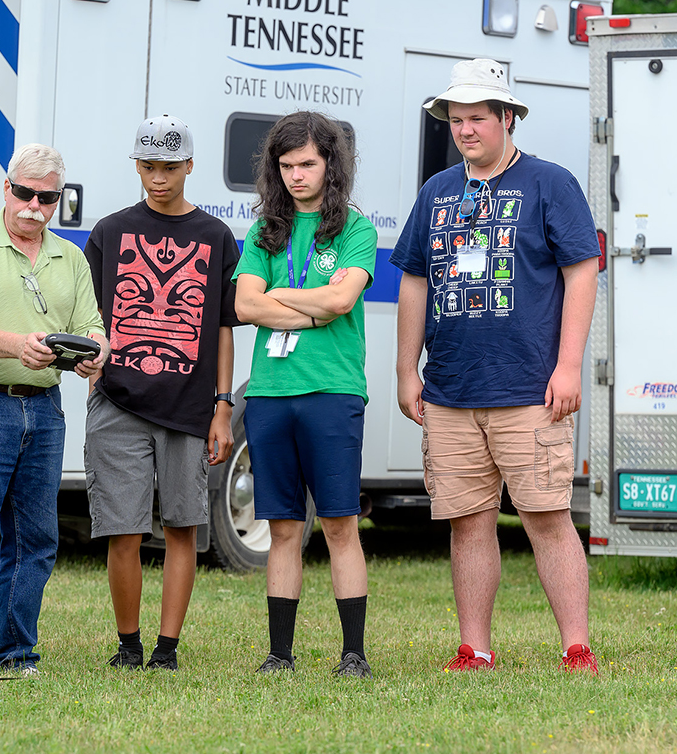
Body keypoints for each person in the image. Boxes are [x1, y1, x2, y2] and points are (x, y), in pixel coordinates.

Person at [391, 59, 601, 673]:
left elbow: (582, 270)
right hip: (452, 389)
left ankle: (576, 647)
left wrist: (568, 366)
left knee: (546, 517)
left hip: (530, 388)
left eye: (478, 118)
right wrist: (408, 371)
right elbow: (413, 281)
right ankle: (474, 649)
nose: (465, 130)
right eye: (456, 120)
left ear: (508, 118)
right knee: (467, 521)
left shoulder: (549, 183)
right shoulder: (437, 191)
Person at [0, 143, 108, 678]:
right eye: (25, 192)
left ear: (59, 200)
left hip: (44, 407)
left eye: (47, 197)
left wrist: (94, 355)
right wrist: (17, 346)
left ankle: (16, 653)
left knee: (36, 539)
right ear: (5, 188)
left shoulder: (70, 257)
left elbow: (93, 325)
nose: (34, 204)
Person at [83, 115, 242, 671]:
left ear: (190, 166)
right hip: (118, 400)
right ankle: (128, 644)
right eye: (148, 166)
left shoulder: (216, 236)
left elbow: (222, 326)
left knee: (182, 528)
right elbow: (89, 316)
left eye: (169, 167)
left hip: (190, 406)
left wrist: (223, 407)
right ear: (136, 164)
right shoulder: (108, 232)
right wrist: (90, 362)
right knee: (121, 529)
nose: (158, 177)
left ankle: (167, 649)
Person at [233, 111, 377, 678]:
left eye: (308, 164)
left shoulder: (355, 229)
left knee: (340, 523)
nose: (296, 176)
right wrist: (311, 303)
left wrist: (284, 298)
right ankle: (279, 655)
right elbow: (245, 306)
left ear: (330, 165)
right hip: (270, 392)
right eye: (286, 165)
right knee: (284, 527)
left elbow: (343, 302)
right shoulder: (265, 229)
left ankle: (353, 654)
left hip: (333, 390)